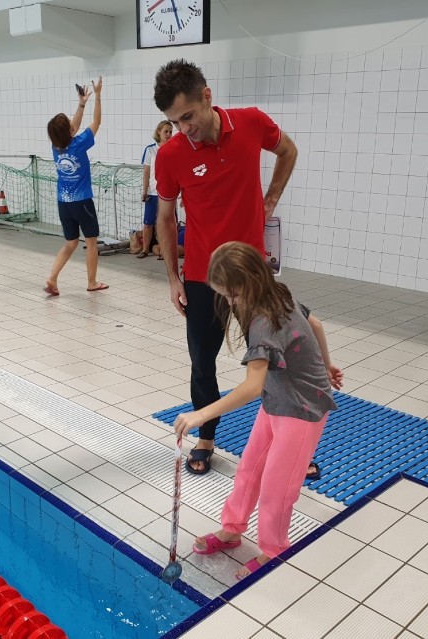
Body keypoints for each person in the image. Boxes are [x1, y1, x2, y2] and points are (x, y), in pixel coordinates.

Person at [153, 59, 299, 475]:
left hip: (251, 274)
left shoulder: (251, 123)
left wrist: (271, 198)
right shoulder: (171, 155)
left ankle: (287, 441)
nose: (184, 128)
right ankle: (206, 436)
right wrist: (172, 278)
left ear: (207, 97)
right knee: (202, 360)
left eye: (188, 116)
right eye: (174, 121)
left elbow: (288, 149)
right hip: (201, 276)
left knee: (275, 358)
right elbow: (165, 219)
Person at [174, 242, 343, 580]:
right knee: (249, 469)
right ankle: (232, 528)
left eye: (231, 297)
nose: (230, 303)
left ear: (246, 285)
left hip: (302, 409)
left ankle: (275, 551)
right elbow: (318, 325)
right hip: (278, 400)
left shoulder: (265, 319)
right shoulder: (276, 291)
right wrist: (326, 364)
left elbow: (251, 387)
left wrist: (201, 414)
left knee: (277, 488)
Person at [44, 76, 109, 296]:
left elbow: (73, 126)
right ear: (70, 132)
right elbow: (96, 122)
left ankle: (52, 278)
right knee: (91, 241)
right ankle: (92, 282)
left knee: (71, 242)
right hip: (82, 201)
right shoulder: (79, 145)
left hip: (64, 203)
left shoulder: (56, 147)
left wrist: (82, 103)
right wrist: (97, 96)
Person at [137, 120, 174, 258]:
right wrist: (144, 191)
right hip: (152, 192)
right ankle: (145, 249)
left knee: (165, 223)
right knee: (148, 223)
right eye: (166, 131)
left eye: (170, 132)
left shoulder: (173, 149)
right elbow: (146, 172)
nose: (169, 134)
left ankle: (164, 250)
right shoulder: (150, 150)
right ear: (159, 132)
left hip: (167, 193)